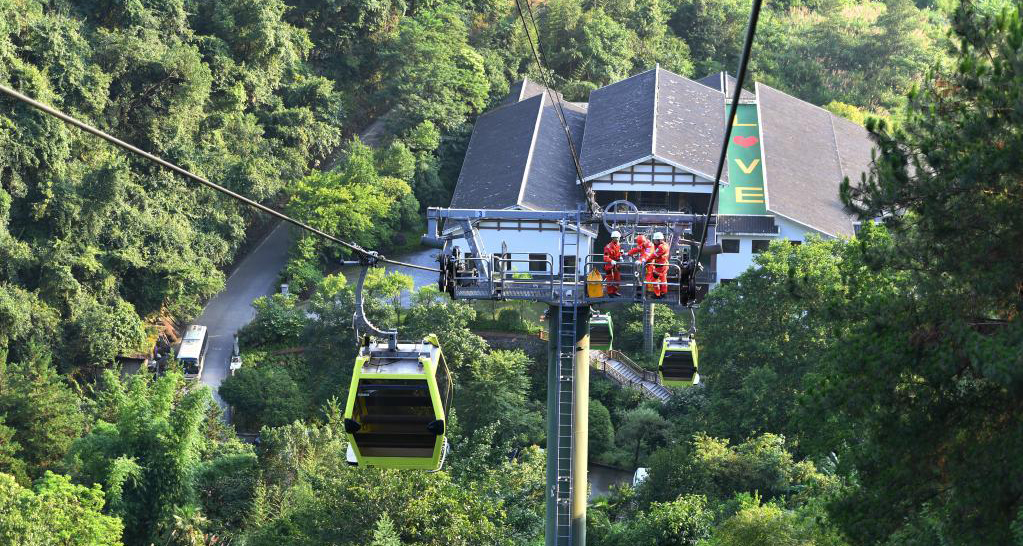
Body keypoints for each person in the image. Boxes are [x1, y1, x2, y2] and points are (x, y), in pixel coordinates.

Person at [627, 234, 653, 298]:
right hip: (643, 264)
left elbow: (647, 254)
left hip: (650, 264)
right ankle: (640, 292)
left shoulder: (650, 245)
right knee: (640, 277)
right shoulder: (643, 244)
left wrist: (640, 260)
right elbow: (636, 249)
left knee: (648, 278)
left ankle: (648, 293)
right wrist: (629, 253)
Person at [650, 232, 670, 298]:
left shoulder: (661, 247)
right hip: (664, 265)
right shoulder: (665, 245)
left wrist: (645, 260)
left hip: (660, 267)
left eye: (655, 240)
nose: (654, 241)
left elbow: (653, 255)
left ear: (659, 240)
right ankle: (663, 293)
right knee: (663, 279)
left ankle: (657, 294)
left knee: (654, 280)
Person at [603, 230, 623, 296]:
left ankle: (615, 291)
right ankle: (610, 292)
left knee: (617, 279)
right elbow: (605, 257)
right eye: (616, 238)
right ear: (613, 238)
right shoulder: (608, 247)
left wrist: (621, 256)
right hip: (609, 265)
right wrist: (611, 261)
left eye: (618, 238)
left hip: (616, 264)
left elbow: (618, 253)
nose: (617, 239)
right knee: (609, 279)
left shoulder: (618, 245)